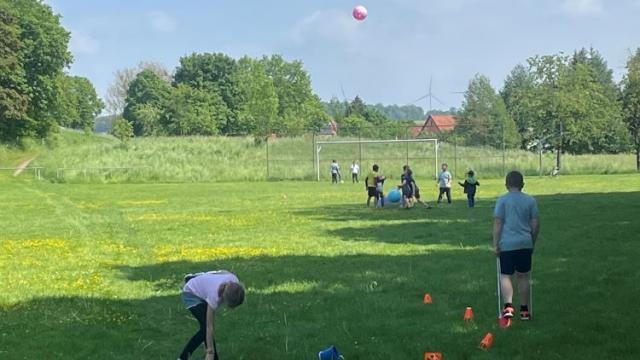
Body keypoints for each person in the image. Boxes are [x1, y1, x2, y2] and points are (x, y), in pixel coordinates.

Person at [493, 171, 540, 321]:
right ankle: (525, 310)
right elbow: (535, 222)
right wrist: (531, 240)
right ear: (522, 185)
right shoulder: (530, 200)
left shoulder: (502, 200)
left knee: (505, 275)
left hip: (507, 244)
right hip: (525, 243)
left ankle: (508, 306)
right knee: (523, 276)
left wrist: (496, 244)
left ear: (506, 185)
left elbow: (498, 222)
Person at [178, 270, 245, 360]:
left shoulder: (234, 280)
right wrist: (210, 351)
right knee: (205, 327)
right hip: (190, 294)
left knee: (205, 329)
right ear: (224, 298)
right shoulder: (214, 296)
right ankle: (183, 357)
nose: (232, 309)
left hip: (203, 289)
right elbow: (209, 326)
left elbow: (223, 271)